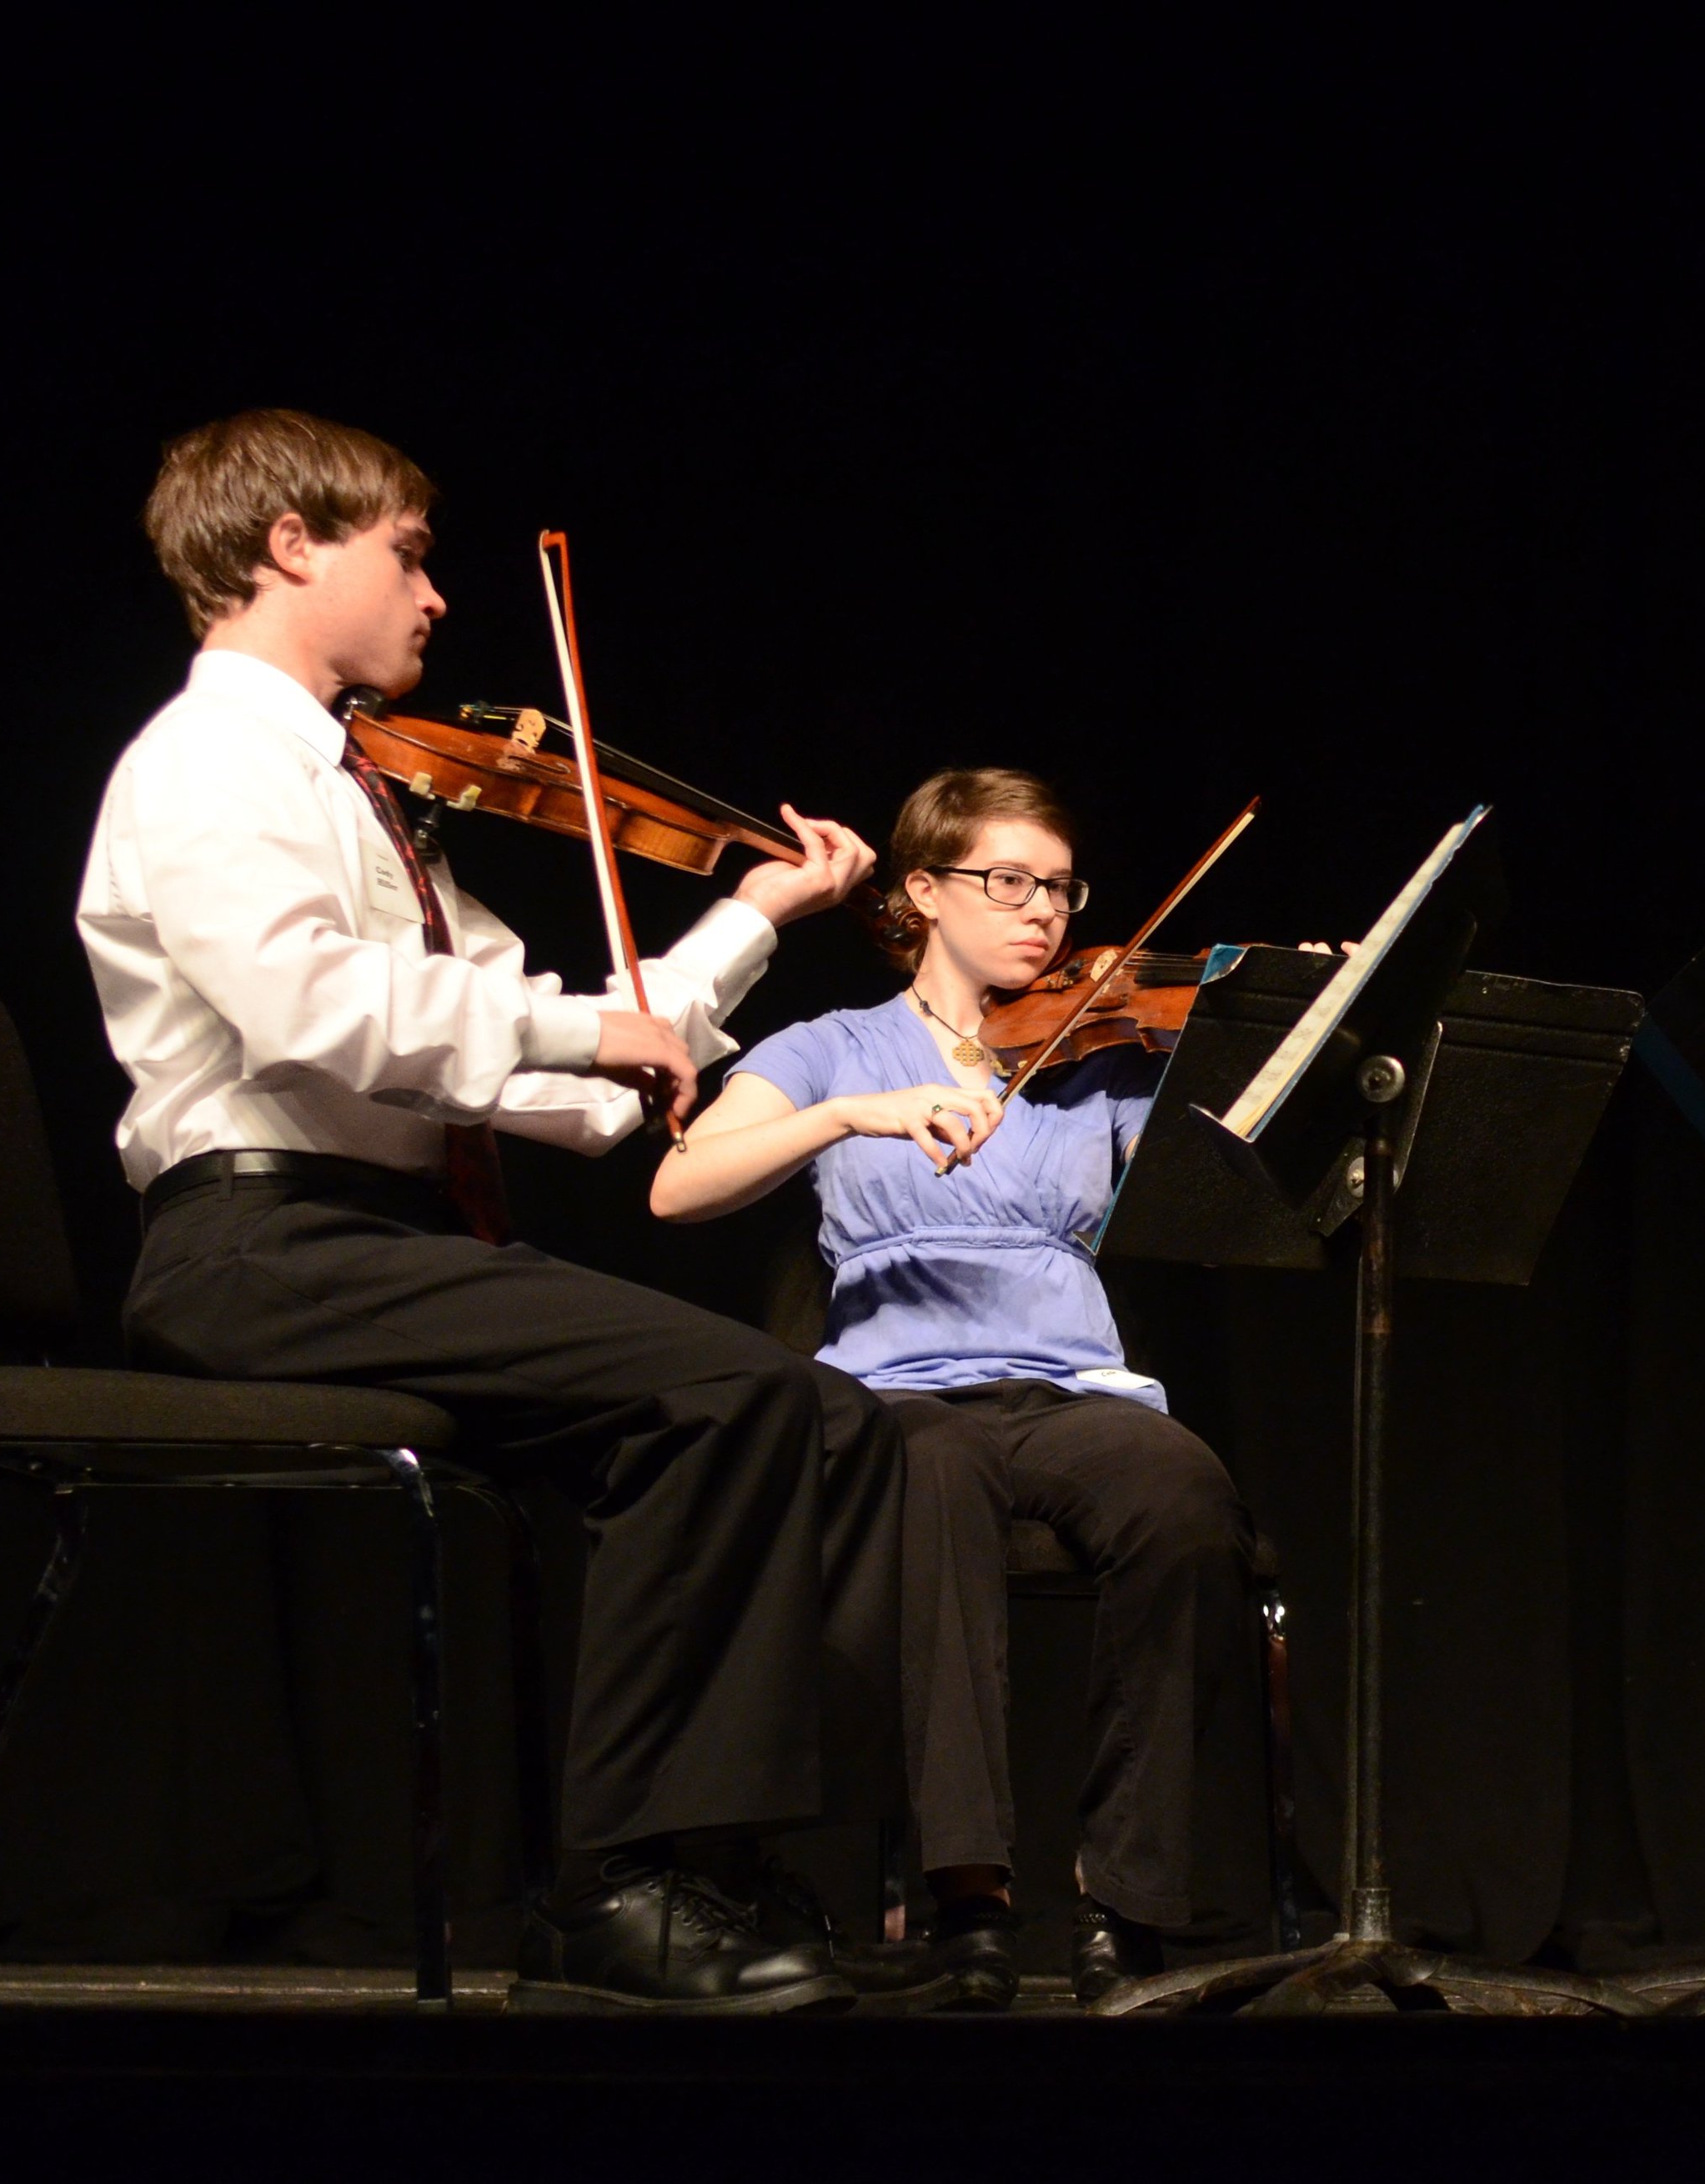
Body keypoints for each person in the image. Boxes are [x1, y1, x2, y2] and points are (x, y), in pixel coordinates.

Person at [82, 408, 901, 2013]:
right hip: (255, 1242)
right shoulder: (208, 760)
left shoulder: (371, 794)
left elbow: (564, 1073)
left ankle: (724, 1870)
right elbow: (316, 1012)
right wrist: (583, 1032)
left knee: (824, 1418)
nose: (438, 594)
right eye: (409, 551)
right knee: (731, 1394)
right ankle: (619, 1889)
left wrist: (748, 921)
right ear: (289, 546)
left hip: (373, 1242)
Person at [652, 767, 1254, 2011]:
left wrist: (1310, 1016)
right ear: (922, 891)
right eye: (1008, 881)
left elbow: (1242, 1182)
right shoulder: (832, 1051)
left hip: (1073, 1390)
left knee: (1186, 1497)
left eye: (1060, 888)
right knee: (929, 1480)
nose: (1043, 911)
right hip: (899, 1394)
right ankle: (970, 1898)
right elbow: (680, 1185)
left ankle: (1122, 1907)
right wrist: (845, 1120)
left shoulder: (1101, 1056)